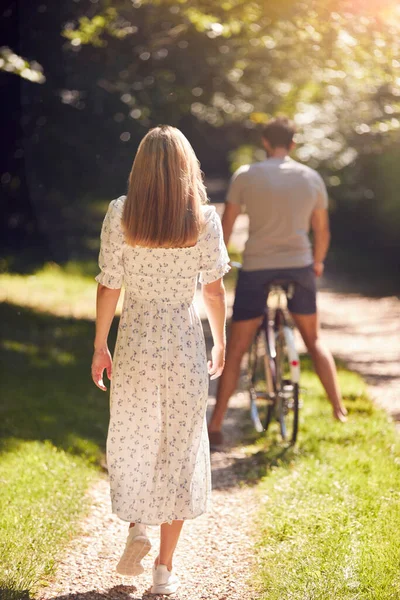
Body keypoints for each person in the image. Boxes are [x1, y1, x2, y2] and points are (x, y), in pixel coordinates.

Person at [91, 125, 229, 595]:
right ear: (188, 168)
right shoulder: (204, 219)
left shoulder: (121, 214)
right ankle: (164, 570)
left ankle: (137, 527)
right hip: (184, 339)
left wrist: (99, 344)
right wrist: (221, 340)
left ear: (141, 170)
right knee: (180, 443)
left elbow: (109, 281)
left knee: (133, 433)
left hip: (134, 341)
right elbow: (212, 288)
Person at [208, 116, 347, 448]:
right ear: (293, 143)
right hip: (299, 265)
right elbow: (322, 231)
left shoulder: (246, 176)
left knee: (238, 347)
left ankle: (215, 425)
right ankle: (339, 409)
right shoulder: (311, 178)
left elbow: (225, 225)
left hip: (257, 267)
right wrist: (317, 262)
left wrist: (220, 262)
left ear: (265, 142)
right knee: (313, 340)